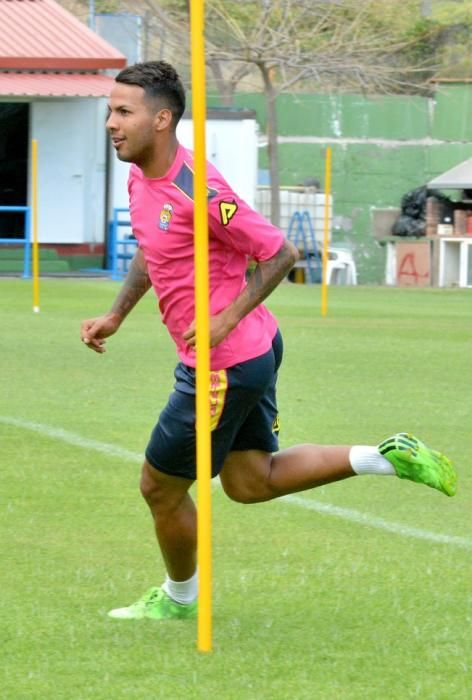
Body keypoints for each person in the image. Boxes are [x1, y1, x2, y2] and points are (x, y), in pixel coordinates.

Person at [81, 61, 457, 621]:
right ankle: (384, 458)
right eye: (110, 110)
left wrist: (223, 321)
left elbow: (279, 253)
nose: (111, 122)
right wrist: (116, 314)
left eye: (123, 112)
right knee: (250, 482)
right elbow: (151, 248)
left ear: (162, 119)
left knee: (159, 488)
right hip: (251, 353)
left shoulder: (201, 190)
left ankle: (181, 600)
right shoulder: (140, 176)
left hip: (223, 364)